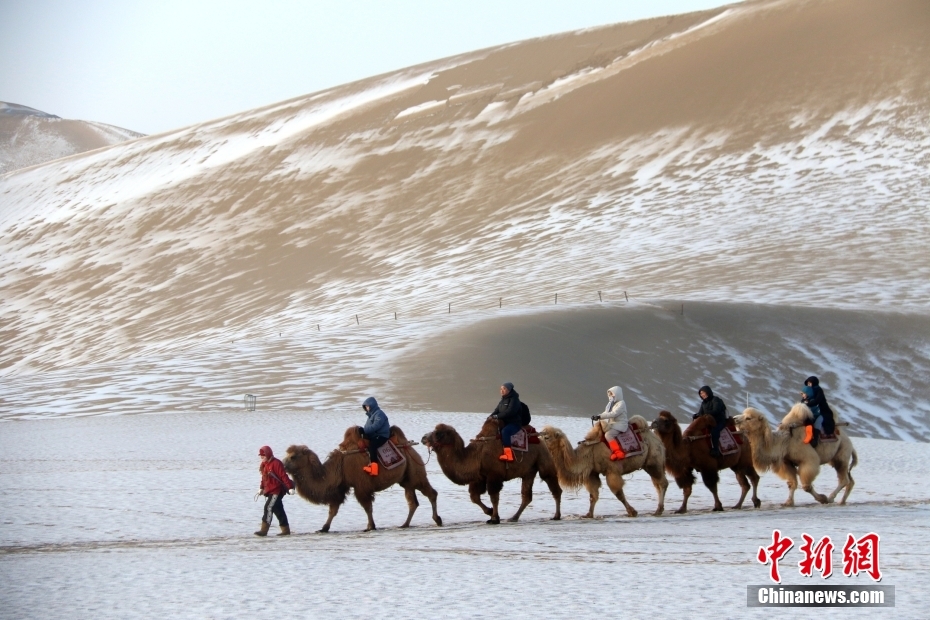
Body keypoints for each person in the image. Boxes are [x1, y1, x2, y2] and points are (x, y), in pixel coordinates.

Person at [256, 445, 294, 536]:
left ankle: (264, 530)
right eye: (260, 455)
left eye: (263, 455)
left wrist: (290, 488)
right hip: (269, 491)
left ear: (268, 454)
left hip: (276, 491)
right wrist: (261, 488)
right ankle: (286, 531)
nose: (261, 457)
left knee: (268, 507)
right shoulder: (264, 464)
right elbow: (264, 478)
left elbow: (283, 476)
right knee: (278, 510)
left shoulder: (276, 463)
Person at [591, 385, 629, 461]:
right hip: (613, 424)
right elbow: (606, 412)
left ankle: (617, 452)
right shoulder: (611, 404)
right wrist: (598, 416)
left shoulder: (621, 403)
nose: (611, 396)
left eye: (612, 394)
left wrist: (600, 416)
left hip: (620, 424)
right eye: (610, 394)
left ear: (617, 394)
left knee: (608, 435)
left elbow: (614, 413)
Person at [491, 382, 522, 462]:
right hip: (504, 423)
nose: (502, 391)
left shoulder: (514, 399)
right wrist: (490, 417)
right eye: (501, 389)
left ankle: (508, 455)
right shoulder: (503, 400)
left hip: (514, 423)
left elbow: (510, 412)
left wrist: (497, 416)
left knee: (505, 432)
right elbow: (497, 410)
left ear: (509, 390)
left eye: (504, 389)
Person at [694, 385, 728, 457]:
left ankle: (716, 450)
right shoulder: (703, 403)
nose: (702, 395)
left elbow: (716, 410)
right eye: (701, 393)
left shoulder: (716, 400)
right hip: (708, 422)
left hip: (719, 421)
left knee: (714, 431)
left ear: (708, 392)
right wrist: (696, 415)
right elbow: (701, 413)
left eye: (703, 393)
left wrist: (706, 414)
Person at [360, 396, 391, 476]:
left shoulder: (379, 413)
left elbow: (376, 425)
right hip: (374, 435)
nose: (366, 408)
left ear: (372, 405)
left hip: (381, 436)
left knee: (372, 447)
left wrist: (365, 430)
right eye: (365, 407)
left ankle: (374, 469)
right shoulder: (371, 415)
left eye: (367, 406)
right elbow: (368, 427)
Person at [803, 375, 836, 441]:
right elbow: (804, 401)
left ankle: (815, 438)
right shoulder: (808, 392)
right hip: (812, 411)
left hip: (822, 411)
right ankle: (808, 436)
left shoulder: (819, 391)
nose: (809, 385)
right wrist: (804, 400)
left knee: (817, 422)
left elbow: (817, 401)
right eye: (808, 383)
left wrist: (807, 404)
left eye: (810, 383)